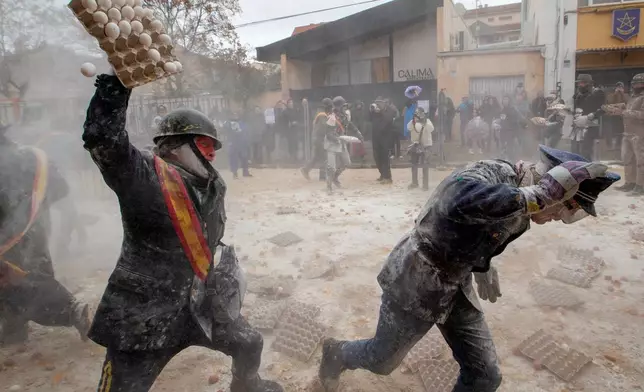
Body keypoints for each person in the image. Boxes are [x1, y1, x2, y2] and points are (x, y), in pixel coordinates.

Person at [317, 144, 619, 392]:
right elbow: (455, 200)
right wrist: (533, 198)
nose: (560, 217)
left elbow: (478, 231)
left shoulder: (525, 215)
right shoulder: (494, 173)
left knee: (485, 376)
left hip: (456, 283)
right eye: (569, 208)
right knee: (382, 360)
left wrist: (482, 264)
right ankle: (337, 352)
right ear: (554, 190)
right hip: (417, 276)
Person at [82, 73, 282, 392]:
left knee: (249, 344)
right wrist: (116, 86)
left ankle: (246, 385)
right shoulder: (145, 176)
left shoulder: (214, 185)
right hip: (144, 318)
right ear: (174, 146)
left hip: (199, 306)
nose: (213, 154)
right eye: (204, 145)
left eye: (213, 146)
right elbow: (104, 142)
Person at [0, 123, 90, 346]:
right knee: (27, 279)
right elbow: (61, 189)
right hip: (36, 228)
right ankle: (14, 330)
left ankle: (72, 311)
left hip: (8, 236)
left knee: (19, 283)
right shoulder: (33, 156)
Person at [324, 96, 363, 194]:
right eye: (343, 106)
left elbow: (350, 125)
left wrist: (358, 132)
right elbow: (328, 133)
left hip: (341, 141)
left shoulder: (344, 116)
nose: (345, 108)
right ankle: (329, 186)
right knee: (331, 167)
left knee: (347, 163)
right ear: (338, 107)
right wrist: (336, 139)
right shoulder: (331, 117)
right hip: (331, 144)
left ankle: (335, 178)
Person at [618, 73, 644, 196]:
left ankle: (640, 185)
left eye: (639, 83)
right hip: (627, 132)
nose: (636, 86)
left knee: (640, 161)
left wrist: (625, 112)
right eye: (634, 83)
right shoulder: (633, 97)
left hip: (639, 134)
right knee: (627, 159)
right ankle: (630, 182)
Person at [572, 74, 606, 159]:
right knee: (574, 150)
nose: (580, 85)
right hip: (578, 126)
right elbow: (577, 109)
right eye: (579, 83)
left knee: (586, 151)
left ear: (589, 84)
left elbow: (604, 108)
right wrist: (571, 112)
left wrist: (593, 115)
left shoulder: (598, 93)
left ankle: (587, 169)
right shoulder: (577, 95)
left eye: (582, 83)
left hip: (592, 125)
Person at [301, 98, 333, 181]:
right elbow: (325, 126)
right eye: (330, 107)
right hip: (319, 138)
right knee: (324, 157)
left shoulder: (320, 112)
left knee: (316, 157)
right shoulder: (322, 114)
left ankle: (306, 169)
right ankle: (322, 176)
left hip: (316, 138)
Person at [406, 107, 433, 190]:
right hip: (415, 145)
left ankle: (425, 185)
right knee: (414, 164)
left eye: (420, 113)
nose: (418, 115)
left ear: (423, 114)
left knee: (425, 165)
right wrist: (414, 120)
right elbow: (408, 128)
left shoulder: (427, 121)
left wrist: (423, 122)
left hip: (426, 146)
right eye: (417, 113)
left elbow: (431, 129)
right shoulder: (413, 122)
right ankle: (414, 183)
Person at [370, 97, 395, 184]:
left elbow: (389, 120)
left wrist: (381, 112)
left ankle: (388, 177)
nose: (377, 105)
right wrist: (371, 110)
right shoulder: (375, 112)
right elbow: (368, 119)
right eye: (376, 103)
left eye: (379, 103)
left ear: (383, 103)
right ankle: (382, 174)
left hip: (385, 139)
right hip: (375, 139)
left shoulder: (389, 111)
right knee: (377, 158)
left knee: (385, 159)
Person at [225, 111, 252, 178]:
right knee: (234, 159)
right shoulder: (228, 123)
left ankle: (245, 172)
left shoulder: (242, 123)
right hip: (233, 143)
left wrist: (246, 140)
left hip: (242, 143)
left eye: (236, 115)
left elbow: (246, 131)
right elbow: (226, 132)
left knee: (244, 158)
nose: (235, 116)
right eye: (233, 115)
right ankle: (235, 173)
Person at [605, 82, 628, 151]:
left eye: (621, 87)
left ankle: (620, 145)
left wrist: (623, 94)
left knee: (622, 132)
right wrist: (615, 94)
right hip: (613, 117)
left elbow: (628, 103)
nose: (619, 89)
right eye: (618, 87)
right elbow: (608, 103)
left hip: (623, 117)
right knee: (612, 132)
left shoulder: (626, 95)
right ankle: (611, 146)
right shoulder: (611, 95)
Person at [499, 95, 522, 161]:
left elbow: (516, 120)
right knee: (504, 147)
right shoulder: (503, 110)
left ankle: (512, 161)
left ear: (509, 101)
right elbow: (502, 120)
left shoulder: (513, 109)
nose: (505, 101)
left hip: (511, 131)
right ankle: (506, 160)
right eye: (504, 99)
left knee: (510, 148)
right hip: (503, 131)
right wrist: (498, 123)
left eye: (506, 99)